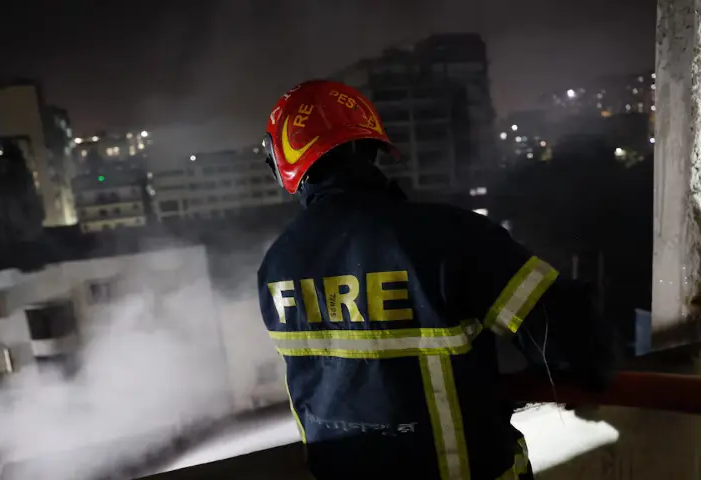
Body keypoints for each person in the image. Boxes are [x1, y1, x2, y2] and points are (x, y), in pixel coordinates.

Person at [256, 79, 615, 479]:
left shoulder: (275, 267)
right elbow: (566, 334)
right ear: (370, 147)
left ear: (285, 164)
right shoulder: (445, 236)